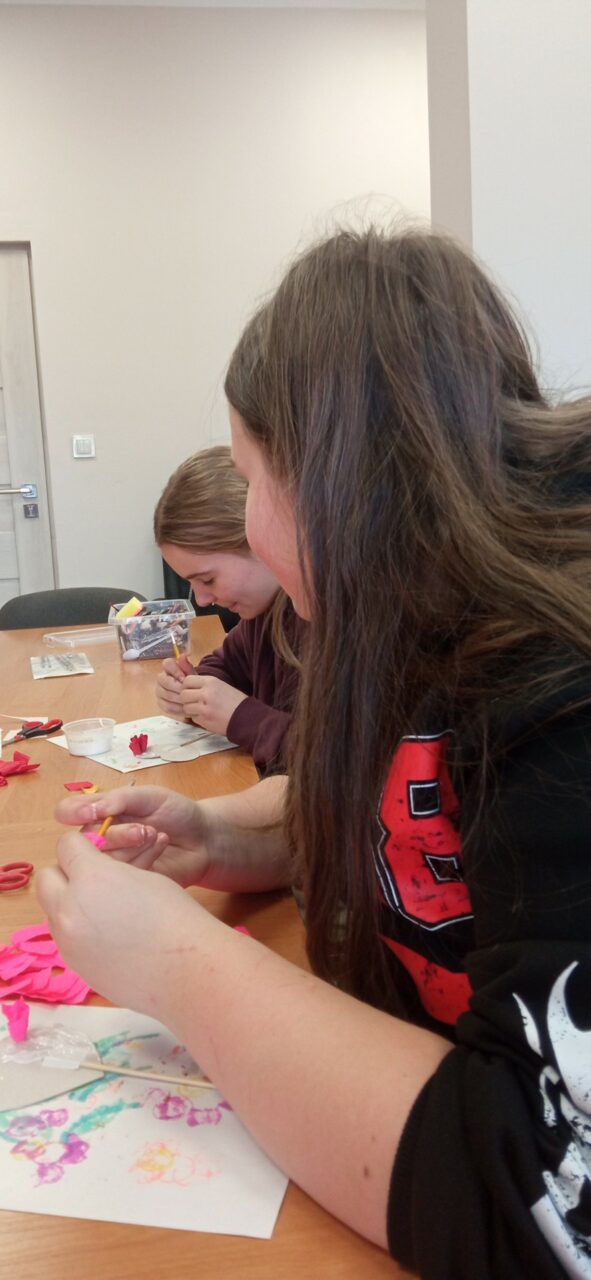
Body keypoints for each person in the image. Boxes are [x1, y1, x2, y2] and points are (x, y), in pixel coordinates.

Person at [39, 227, 591, 1279]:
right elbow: (425, 841)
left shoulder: (556, 679)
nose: (251, 521)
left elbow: (552, 1194)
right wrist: (229, 840)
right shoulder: (401, 621)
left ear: (336, 479)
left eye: (252, 475)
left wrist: (180, 965)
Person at [154, 445, 300, 774]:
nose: (201, 599)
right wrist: (193, 690)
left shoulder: (329, 620)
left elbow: (341, 764)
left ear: (261, 538)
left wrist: (241, 717)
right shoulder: (261, 613)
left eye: (208, 579)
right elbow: (225, 666)